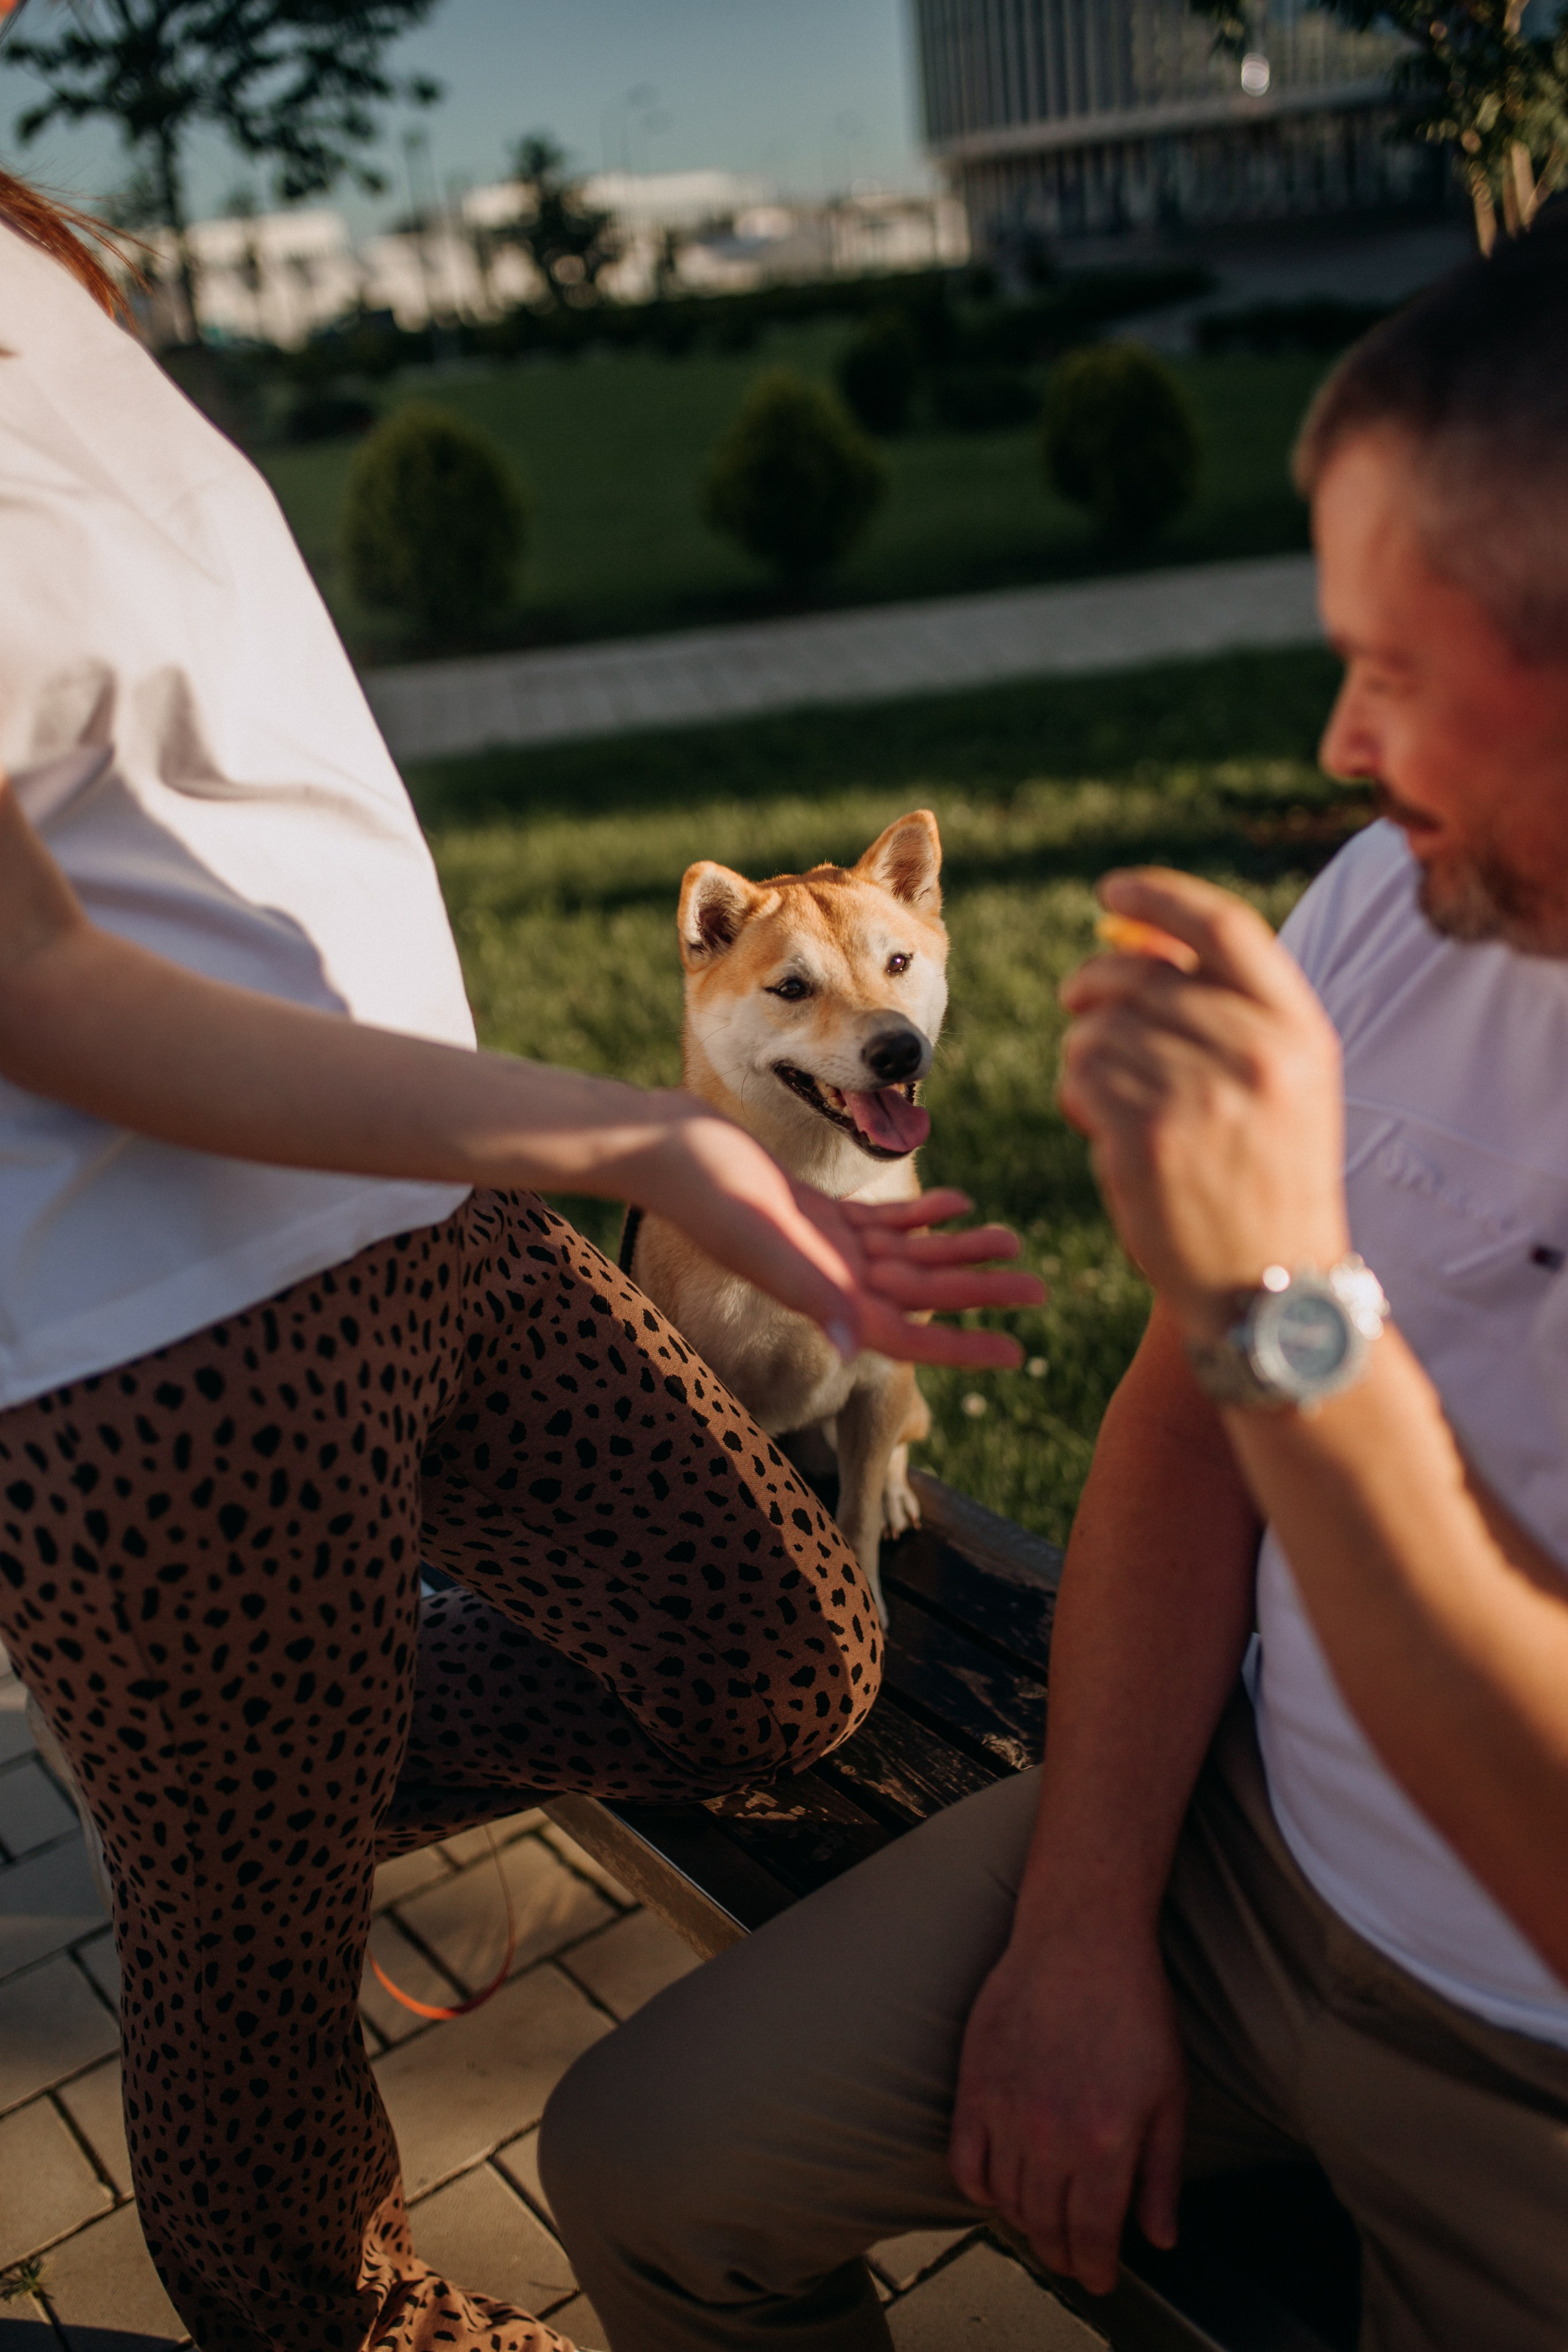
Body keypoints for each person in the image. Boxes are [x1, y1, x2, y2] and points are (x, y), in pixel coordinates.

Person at [0, 167, 1042, 2352]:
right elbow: (42, 983)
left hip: (430, 1199)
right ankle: (313, 2212)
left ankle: (233, 1810)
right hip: (148, 1341)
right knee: (258, 2029)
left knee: (783, 1663)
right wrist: (645, 1123)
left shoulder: (36, 259)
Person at [538, 220, 1568, 2352]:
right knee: (643, 2167)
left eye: (1424, 651)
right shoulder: (1403, 898)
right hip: (1247, 1850)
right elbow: (1195, 1413)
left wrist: (1285, 1294)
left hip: (1526, 2070)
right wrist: (1091, 1919)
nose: (1350, 746)